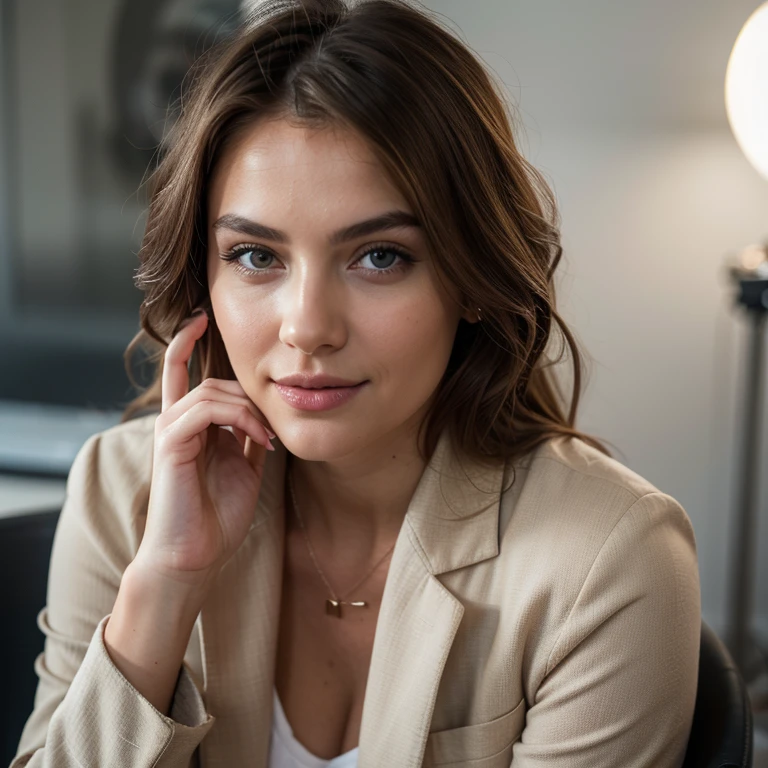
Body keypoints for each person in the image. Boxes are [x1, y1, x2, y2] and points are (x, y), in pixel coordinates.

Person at [11, 0, 701, 766]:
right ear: (203, 278)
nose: (308, 327)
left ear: (472, 277)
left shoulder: (609, 562)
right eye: (254, 255)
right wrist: (165, 591)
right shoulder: (122, 495)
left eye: (379, 256)